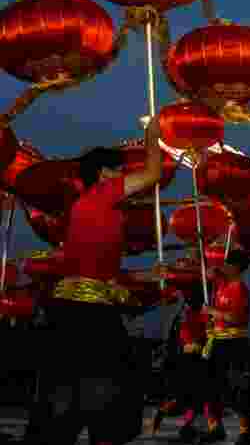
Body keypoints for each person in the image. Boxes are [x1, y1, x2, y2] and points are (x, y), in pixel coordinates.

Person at [29, 116, 164, 445]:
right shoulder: (101, 194)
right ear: (104, 174)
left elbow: (102, 271)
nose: (123, 177)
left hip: (76, 309)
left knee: (70, 393)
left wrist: (148, 275)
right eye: (119, 171)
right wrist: (153, 136)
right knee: (106, 389)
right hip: (87, 314)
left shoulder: (92, 208)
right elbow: (153, 174)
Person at [202, 250, 250, 445]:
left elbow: (236, 319)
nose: (223, 267)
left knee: (236, 388)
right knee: (210, 387)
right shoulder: (221, 287)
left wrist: (213, 312)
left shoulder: (239, 288)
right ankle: (215, 427)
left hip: (234, 343)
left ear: (235, 268)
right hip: (217, 342)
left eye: (227, 264)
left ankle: (246, 429)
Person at [153, 285, 211, 441]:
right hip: (190, 359)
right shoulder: (189, 315)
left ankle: (187, 426)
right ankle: (170, 416)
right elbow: (193, 336)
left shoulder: (187, 314)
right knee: (188, 397)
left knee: (193, 398)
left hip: (193, 358)